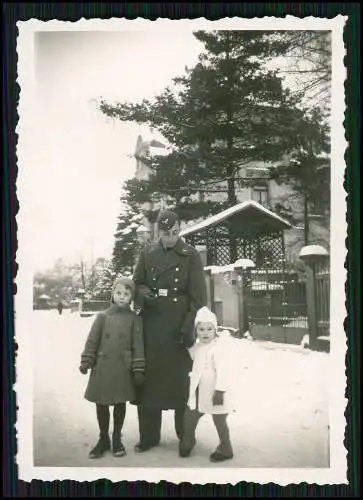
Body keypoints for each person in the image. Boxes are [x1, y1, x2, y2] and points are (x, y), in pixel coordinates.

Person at [133, 209, 207, 452]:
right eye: (166, 233)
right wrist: (145, 295)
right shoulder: (148, 253)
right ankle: (149, 436)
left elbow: (198, 298)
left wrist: (188, 328)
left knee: (181, 383)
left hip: (179, 324)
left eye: (175, 233)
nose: (171, 238)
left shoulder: (190, 255)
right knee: (150, 380)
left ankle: (184, 435)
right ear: (159, 232)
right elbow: (138, 282)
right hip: (152, 323)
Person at [79, 277, 145, 459]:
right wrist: (87, 360)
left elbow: (138, 345)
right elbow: (92, 341)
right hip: (102, 366)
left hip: (123, 368)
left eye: (126, 294)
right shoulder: (103, 316)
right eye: (118, 293)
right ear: (113, 294)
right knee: (101, 403)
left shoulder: (135, 319)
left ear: (132, 297)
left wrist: (138, 368)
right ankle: (103, 439)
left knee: (119, 402)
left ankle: (116, 438)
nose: (122, 297)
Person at [179, 306, 234, 462]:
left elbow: (223, 371)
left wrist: (220, 391)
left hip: (215, 393)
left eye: (209, 329)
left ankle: (226, 448)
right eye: (201, 329)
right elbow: (191, 354)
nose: (205, 333)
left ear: (215, 330)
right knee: (190, 415)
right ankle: (188, 440)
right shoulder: (198, 346)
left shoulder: (217, 349)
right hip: (199, 391)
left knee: (219, 420)